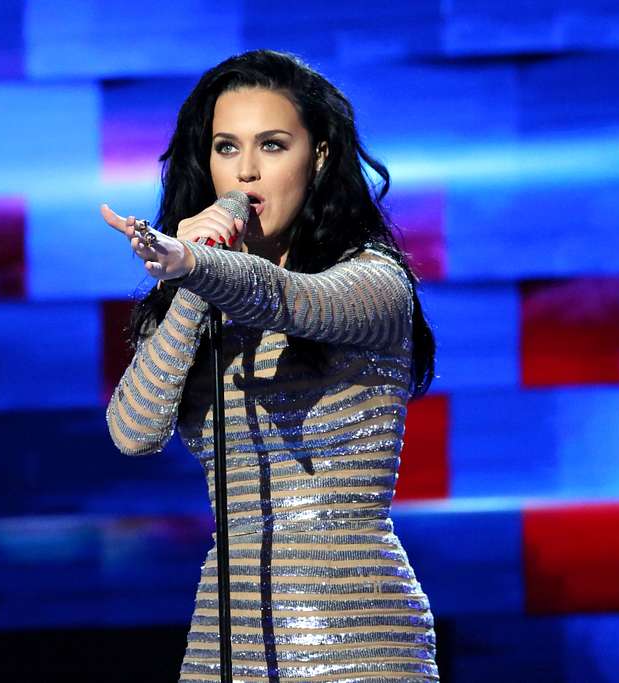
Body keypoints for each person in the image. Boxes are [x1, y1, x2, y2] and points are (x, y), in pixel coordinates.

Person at [102, 50, 440, 682]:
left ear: (320, 156)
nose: (247, 173)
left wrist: (202, 267)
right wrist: (194, 278)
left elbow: (292, 299)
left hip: (358, 642)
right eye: (226, 148)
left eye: (273, 146)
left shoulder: (373, 281)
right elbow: (133, 431)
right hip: (224, 637)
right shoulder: (197, 290)